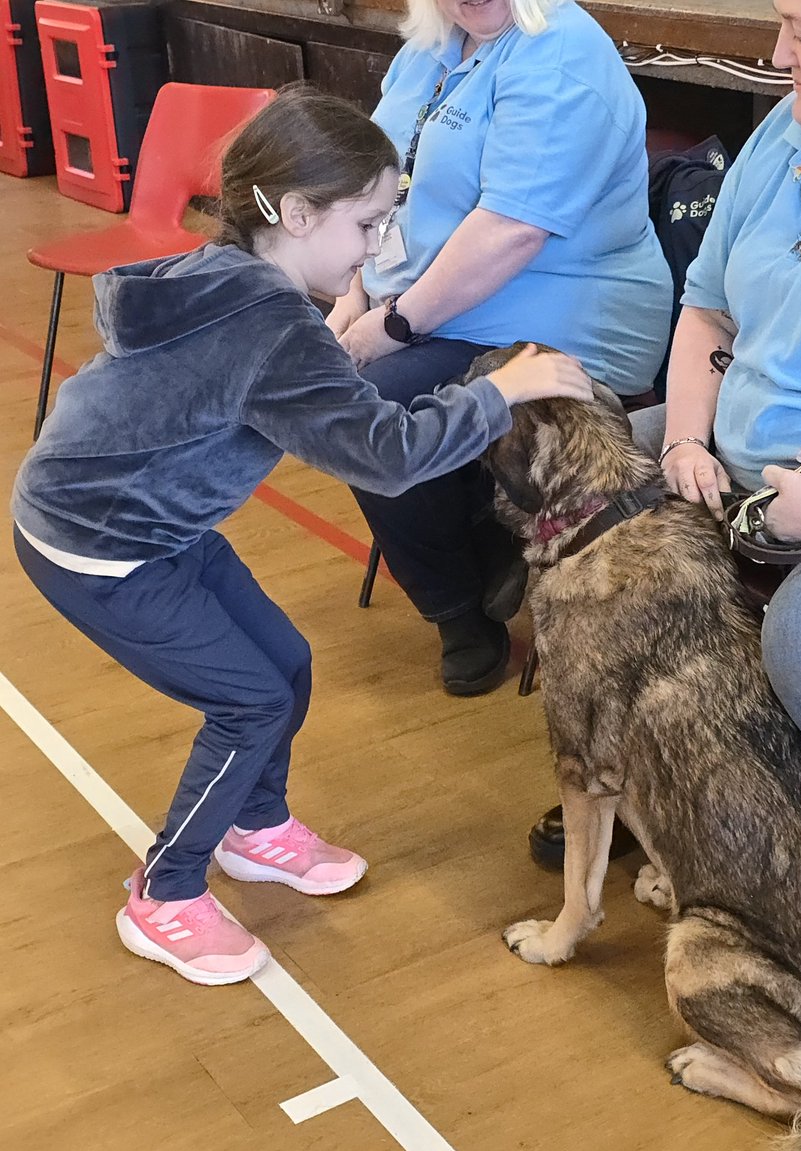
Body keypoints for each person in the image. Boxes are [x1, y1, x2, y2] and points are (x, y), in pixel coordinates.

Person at [11, 86, 592, 986]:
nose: (376, 248)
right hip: (103, 547)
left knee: (285, 663)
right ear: (294, 212)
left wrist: (338, 352)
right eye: (365, 224)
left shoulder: (230, 277)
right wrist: (500, 390)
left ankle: (254, 825)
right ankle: (163, 891)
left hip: (147, 518)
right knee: (249, 703)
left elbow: (288, 384)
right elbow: (389, 457)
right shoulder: (273, 326)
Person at [531, 0, 801, 864]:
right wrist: (686, 441)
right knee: (575, 482)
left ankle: (783, 833)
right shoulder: (779, 139)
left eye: (800, 32)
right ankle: (639, 771)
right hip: (734, 446)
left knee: (796, 643)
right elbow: (706, 314)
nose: (774, 52)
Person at [327, 0, 672, 697]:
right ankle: (484, 540)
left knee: (375, 405)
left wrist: (389, 327)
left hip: (560, 310)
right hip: (431, 303)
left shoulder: (562, 53)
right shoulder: (429, 46)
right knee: (347, 389)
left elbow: (511, 231)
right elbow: (374, 185)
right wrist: (349, 296)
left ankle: (459, 609)